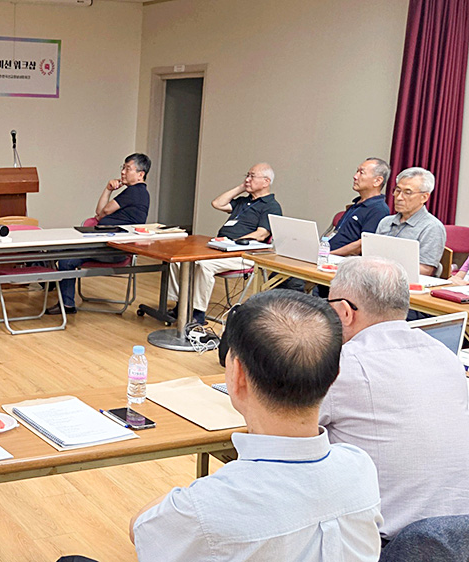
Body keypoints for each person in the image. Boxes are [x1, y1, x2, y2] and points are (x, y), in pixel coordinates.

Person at [130, 290, 383, 561]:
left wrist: (196, 496)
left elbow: (141, 530)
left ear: (238, 375)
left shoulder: (207, 508)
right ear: (334, 375)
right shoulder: (359, 467)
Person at [323, 256, 469, 541]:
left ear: (344, 312)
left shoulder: (344, 364)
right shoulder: (445, 356)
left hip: (383, 544)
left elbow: (286, 430)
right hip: (459, 538)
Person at [167, 163, 282, 324]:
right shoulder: (243, 201)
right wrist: (242, 187)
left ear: (266, 181)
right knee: (178, 259)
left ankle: (198, 314)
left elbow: (261, 234)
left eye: (252, 176)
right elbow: (217, 203)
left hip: (243, 253)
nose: (247, 179)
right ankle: (180, 304)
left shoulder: (272, 206)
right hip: (220, 248)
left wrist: (234, 243)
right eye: (246, 175)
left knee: (204, 266)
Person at [47, 153, 152, 314]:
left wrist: (105, 206)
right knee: (57, 249)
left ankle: (66, 303)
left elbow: (104, 211)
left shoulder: (135, 192)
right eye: (123, 168)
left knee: (66, 259)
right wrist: (108, 189)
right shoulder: (136, 192)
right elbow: (99, 212)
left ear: (140, 174)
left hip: (113, 249)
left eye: (128, 168)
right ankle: (59, 291)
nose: (123, 172)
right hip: (104, 242)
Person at [335, 167, 445, 276]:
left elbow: (426, 270)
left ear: (424, 197)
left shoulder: (432, 227)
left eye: (407, 192)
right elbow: (370, 256)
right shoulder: (385, 222)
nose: (399, 197)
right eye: (397, 190)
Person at [327, 158, 392, 254]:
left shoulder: (379, 209)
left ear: (377, 181)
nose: (355, 176)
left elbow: (363, 244)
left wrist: (330, 254)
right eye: (357, 171)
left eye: (361, 173)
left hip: (343, 261)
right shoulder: (357, 203)